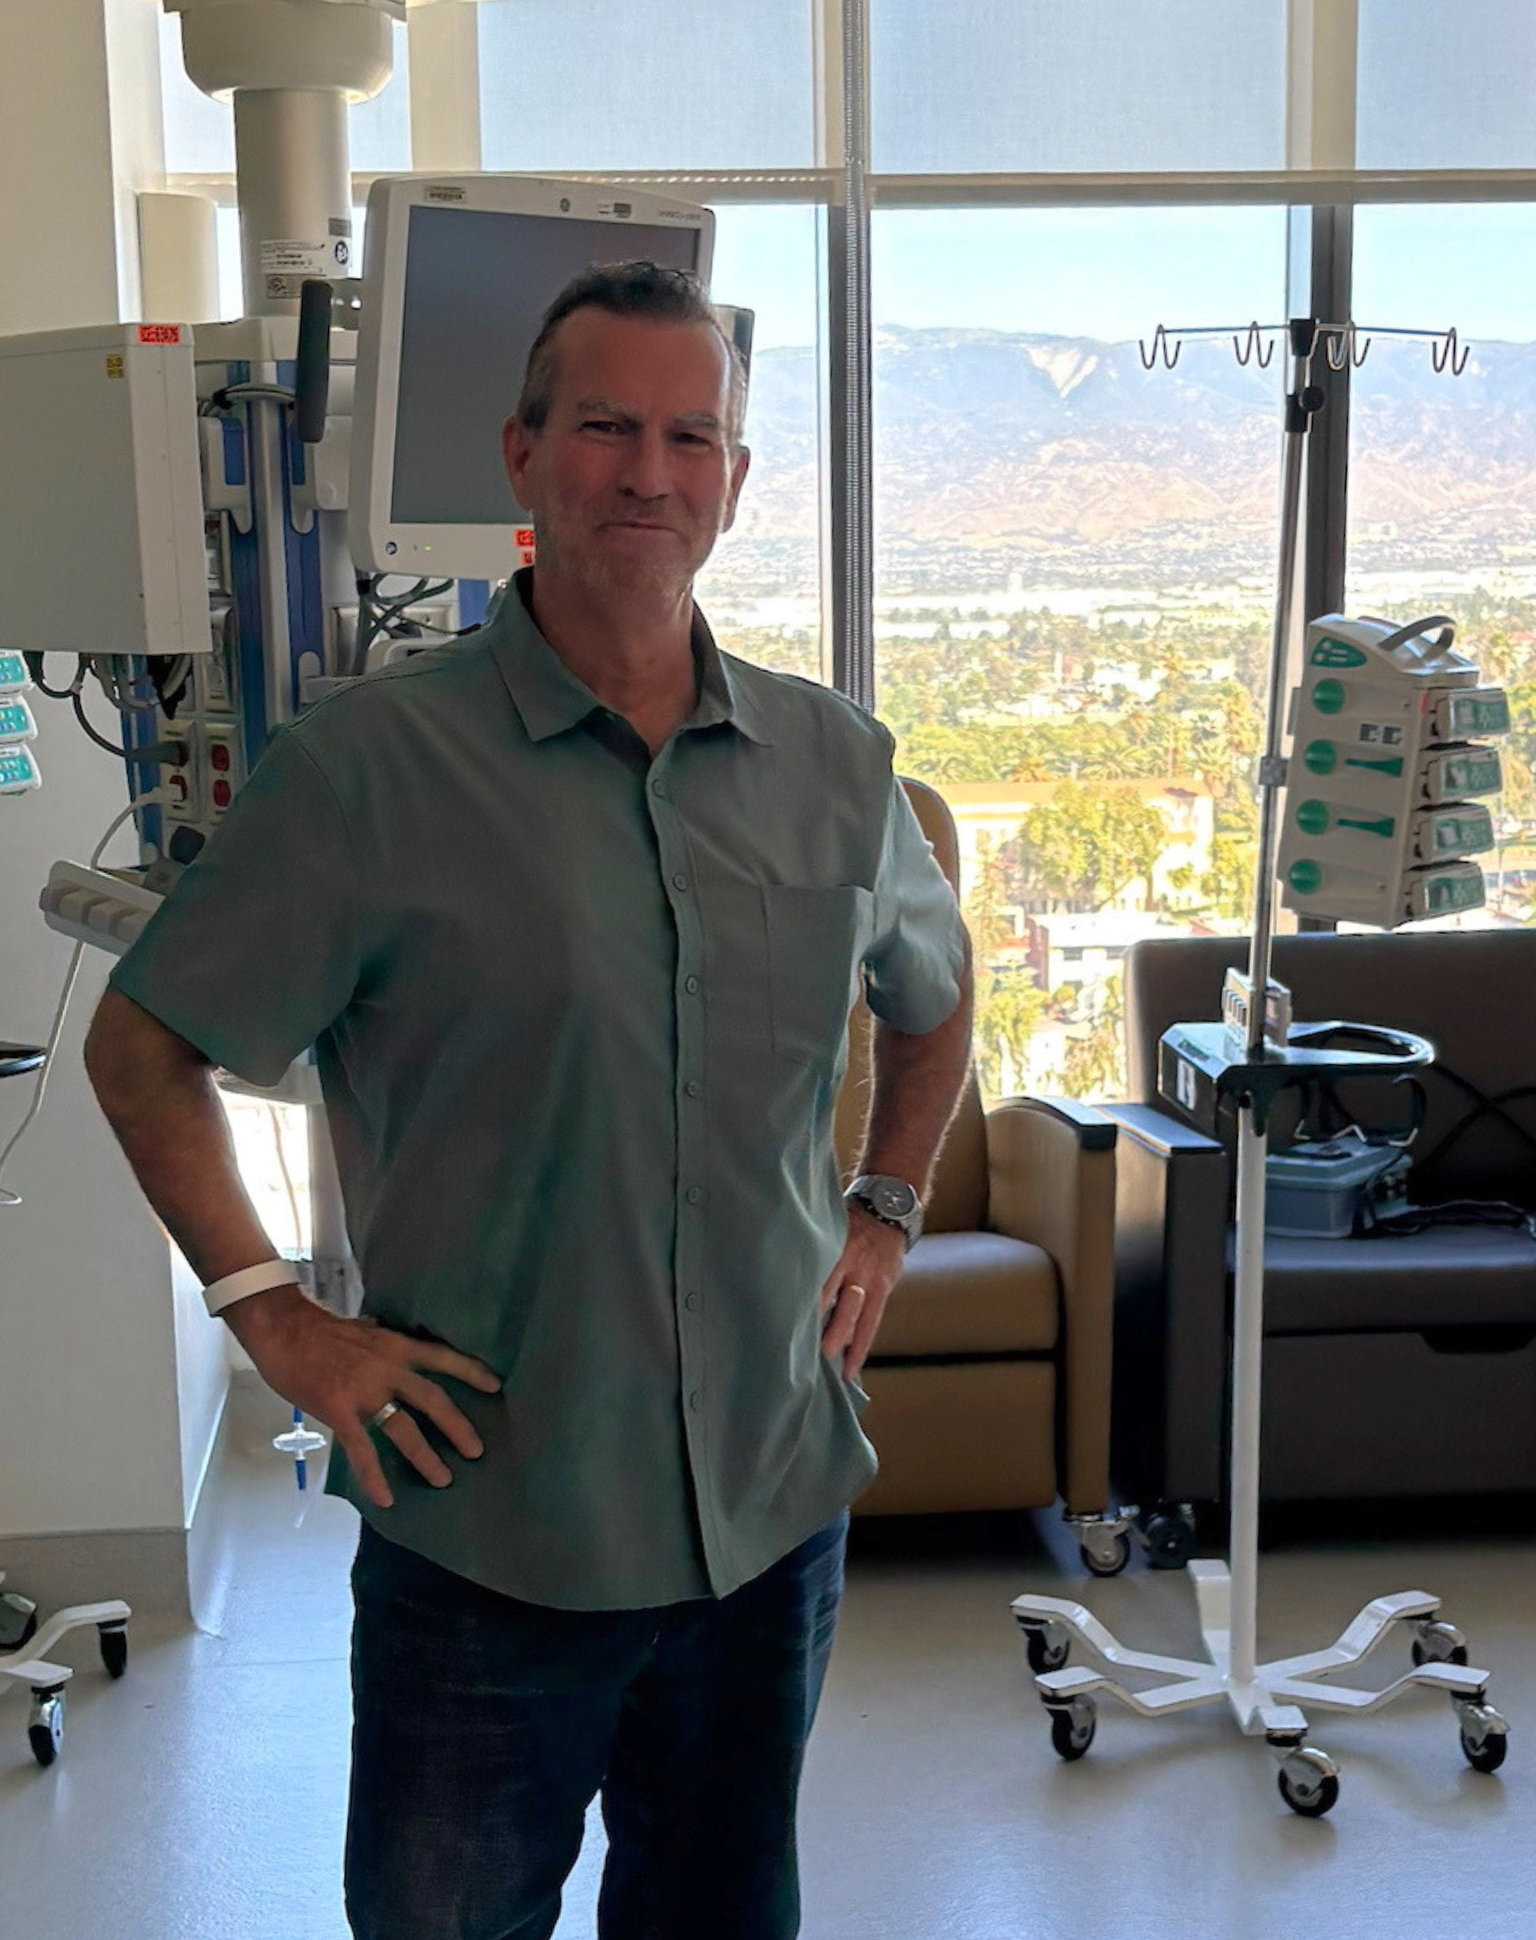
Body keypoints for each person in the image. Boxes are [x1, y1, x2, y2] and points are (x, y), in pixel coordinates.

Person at [84, 260, 970, 1940]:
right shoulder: (367, 774)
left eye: (690, 434)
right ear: (521, 455)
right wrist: (277, 1316)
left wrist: (886, 1210)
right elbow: (145, 1052)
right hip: (489, 1529)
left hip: (763, 1524)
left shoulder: (836, 766)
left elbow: (938, 1000)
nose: (650, 470)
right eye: (608, 427)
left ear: (736, 479)